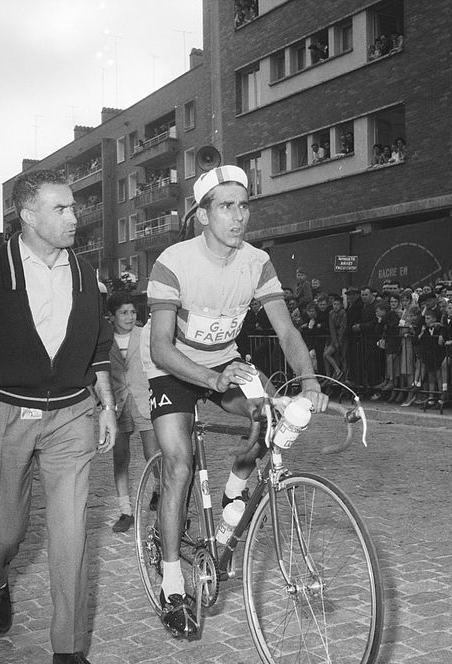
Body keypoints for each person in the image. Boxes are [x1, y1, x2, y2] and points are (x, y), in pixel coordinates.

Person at [141, 165, 328, 639]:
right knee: (178, 464)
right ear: (203, 215)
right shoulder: (173, 261)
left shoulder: (256, 261)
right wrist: (210, 376)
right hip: (173, 369)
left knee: (269, 417)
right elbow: (161, 346)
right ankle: (171, 581)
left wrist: (308, 382)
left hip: (226, 363)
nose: (238, 216)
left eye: (243, 205)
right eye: (226, 206)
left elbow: (286, 329)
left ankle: (231, 497)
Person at [0, 169, 117, 664]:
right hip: (4, 409)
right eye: (60, 208)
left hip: (70, 413)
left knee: (72, 533)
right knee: (3, 532)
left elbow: (99, 344)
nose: (73, 216)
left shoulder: (86, 273)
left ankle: (69, 648)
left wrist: (105, 403)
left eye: (73, 207)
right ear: (27, 216)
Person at [107, 292, 159, 533]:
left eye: (132, 312)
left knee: (153, 453)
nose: (129, 317)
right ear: (112, 316)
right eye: (123, 312)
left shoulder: (145, 334)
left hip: (144, 401)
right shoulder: (104, 340)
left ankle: (158, 491)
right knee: (120, 458)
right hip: (118, 405)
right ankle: (125, 510)